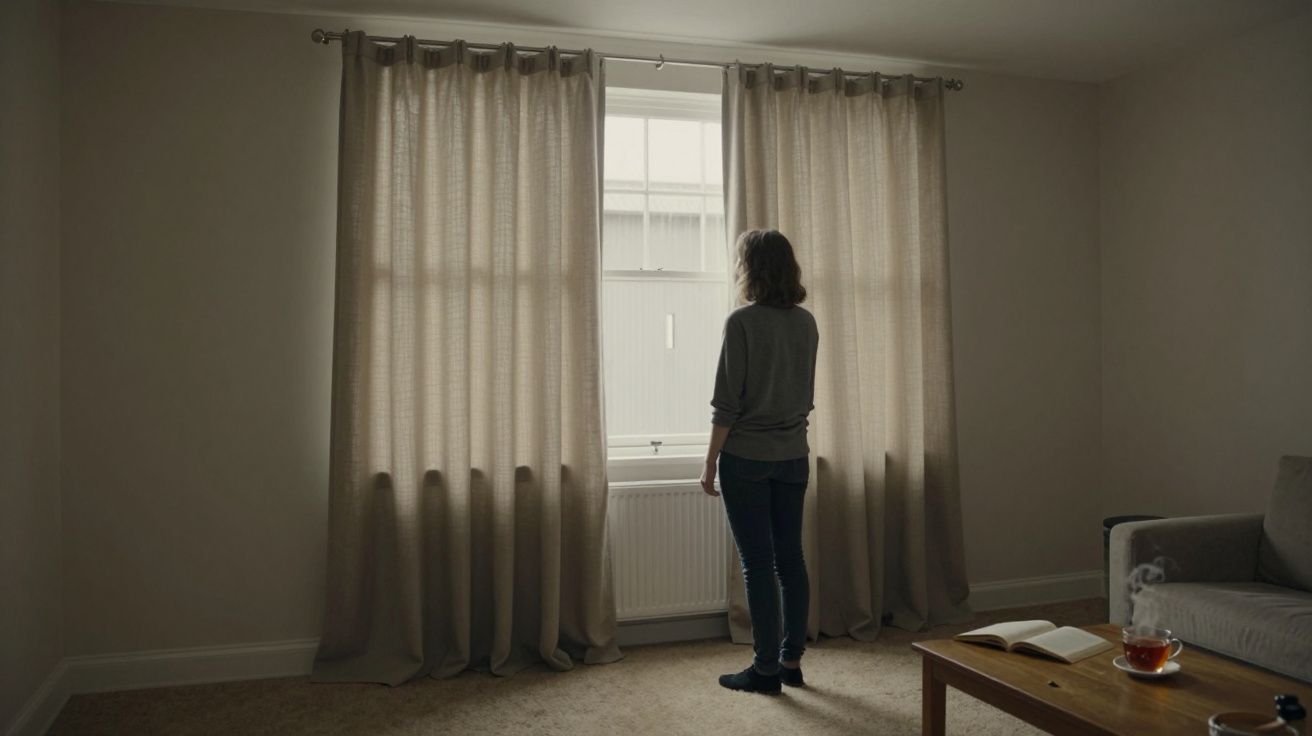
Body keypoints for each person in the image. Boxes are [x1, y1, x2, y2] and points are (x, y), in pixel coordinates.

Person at [700, 228, 818, 695]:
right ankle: (790, 661)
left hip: (746, 458)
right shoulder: (805, 323)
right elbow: (804, 397)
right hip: (794, 456)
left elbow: (727, 405)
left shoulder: (742, 323)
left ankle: (764, 669)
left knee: (758, 563)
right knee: (792, 559)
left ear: (749, 269)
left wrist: (710, 462)